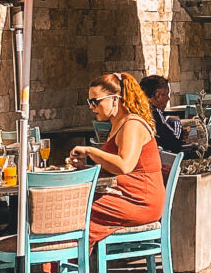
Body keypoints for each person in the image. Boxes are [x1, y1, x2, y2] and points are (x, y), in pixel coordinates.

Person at [67, 72, 167, 245]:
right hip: (127, 196)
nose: (91, 107)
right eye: (89, 102)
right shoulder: (118, 125)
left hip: (140, 202)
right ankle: (63, 262)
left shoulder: (132, 124)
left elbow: (124, 166)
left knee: (74, 208)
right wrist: (84, 169)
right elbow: (113, 170)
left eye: (95, 101)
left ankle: (60, 265)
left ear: (115, 99)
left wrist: (91, 151)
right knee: (70, 205)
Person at [139, 74, 184, 157]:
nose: (168, 98)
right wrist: (174, 121)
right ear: (158, 95)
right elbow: (175, 142)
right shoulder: (153, 112)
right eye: (167, 94)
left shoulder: (138, 110)